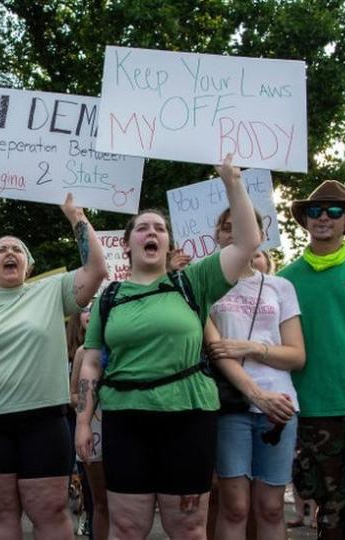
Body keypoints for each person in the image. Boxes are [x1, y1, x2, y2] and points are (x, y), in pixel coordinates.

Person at [75, 155, 260, 539]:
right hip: (125, 421)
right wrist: (82, 421)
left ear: (168, 243)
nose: (151, 232)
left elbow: (247, 242)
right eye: (142, 228)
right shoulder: (109, 296)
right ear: (127, 245)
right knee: (126, 526)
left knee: (189, 527)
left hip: (189, 418)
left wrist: (232, 182)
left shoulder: (193, 281)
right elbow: (91, 361)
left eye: (159, 227)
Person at [0, 194, 108, 540]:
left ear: (28, 265)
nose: (10, 252)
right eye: (1, 249)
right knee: (0, 511)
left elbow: (97, 269)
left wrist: (75, 215)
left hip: (43, 420)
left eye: (18, 249)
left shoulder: (51, 291)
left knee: (50, 509)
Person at [279, 180, 345, 539]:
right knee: (329, 512)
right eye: (315, 211)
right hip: (315, 409)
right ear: (305, 220)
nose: (324, 217)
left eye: (334, 211)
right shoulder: (284, 281)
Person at [203, 210, 306, 540]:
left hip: (281, 408)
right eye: (225, 227)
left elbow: (296, 355)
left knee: (272, 507)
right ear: (217, 236)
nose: (234, 233)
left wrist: (249, 347)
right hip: (232, 408)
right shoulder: (205, 285)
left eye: (243, 227)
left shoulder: (281, 286)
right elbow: (218, 353)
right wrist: (258, 396)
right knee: (234, 506)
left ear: (259, 235)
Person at [69, 304, 107, 540]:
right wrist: (90, 403)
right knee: (100, 502)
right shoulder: (84, 351)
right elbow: (72, 394)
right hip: (95, 429)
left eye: (97, 308)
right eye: (86, 309)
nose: (91, 314)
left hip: (129, 425)